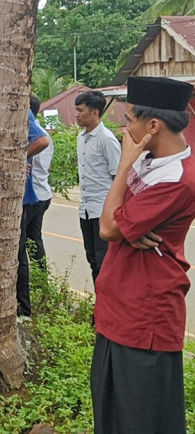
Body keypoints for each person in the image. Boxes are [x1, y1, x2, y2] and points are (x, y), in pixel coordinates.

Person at [92, 76, 195, 433]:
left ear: (152, 126)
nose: (125, 126)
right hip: (118, 309)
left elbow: (107, 228)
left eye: (130, 117)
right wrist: (126, 225)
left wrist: (124, 164)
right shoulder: (151, 162)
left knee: (142, 419)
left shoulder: (177, 179)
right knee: (112, 414)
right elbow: (118, 223)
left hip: (143, 319)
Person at [75, 90, 121, 284]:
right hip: (86, 210)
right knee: (93, 259)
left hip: (102, 210)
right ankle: (99, 306)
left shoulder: (107, 139)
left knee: (105, 262)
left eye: (80, 110)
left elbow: (118, 176)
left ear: (95, 112)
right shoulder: (81, 137)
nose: (76, 114)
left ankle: (109, 308)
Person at [17, 109, 50, 318]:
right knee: (27, 245)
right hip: (31, 195)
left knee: (20, 253)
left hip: (25, 197)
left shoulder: (23, 111)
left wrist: (20, 157)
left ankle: (24, 309)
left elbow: (43, 140)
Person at [25, 96, 54, 270]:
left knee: (21, 242)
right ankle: (40, 279)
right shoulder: (45, 133)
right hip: (44, 192)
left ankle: (30, 281)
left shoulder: (33, 134)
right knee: (34, 239)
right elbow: (48, 166)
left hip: (33, 195)